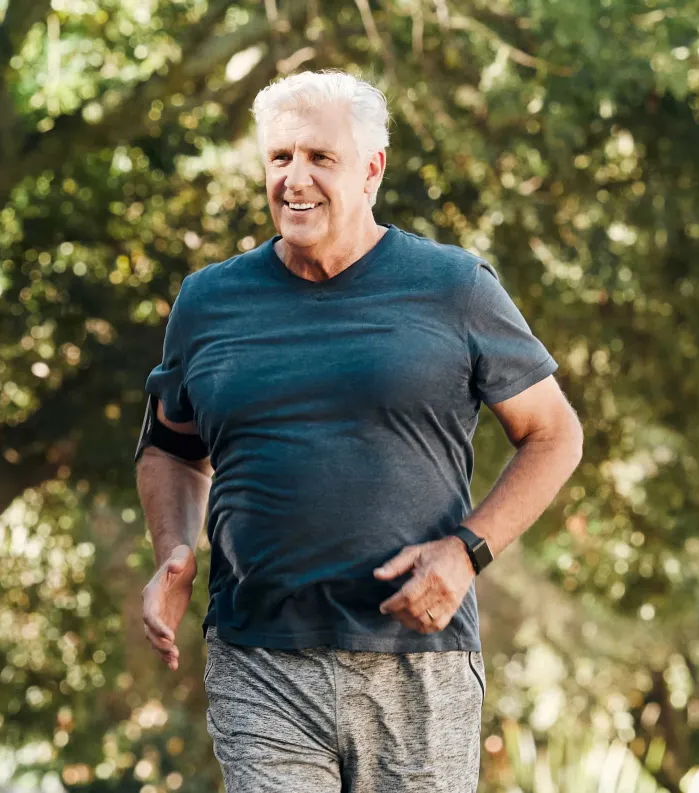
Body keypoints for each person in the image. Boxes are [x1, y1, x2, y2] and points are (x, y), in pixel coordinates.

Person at [132, 70, 584, 792]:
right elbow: (171, 449)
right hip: (261, 653)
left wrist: (468, 553)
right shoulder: (209, 300)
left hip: (419, 658)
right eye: (279, 158)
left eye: (320, 157)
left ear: (372, 169)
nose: (295, 179)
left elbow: (556, 434)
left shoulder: (453, 286)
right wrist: (172, 550)